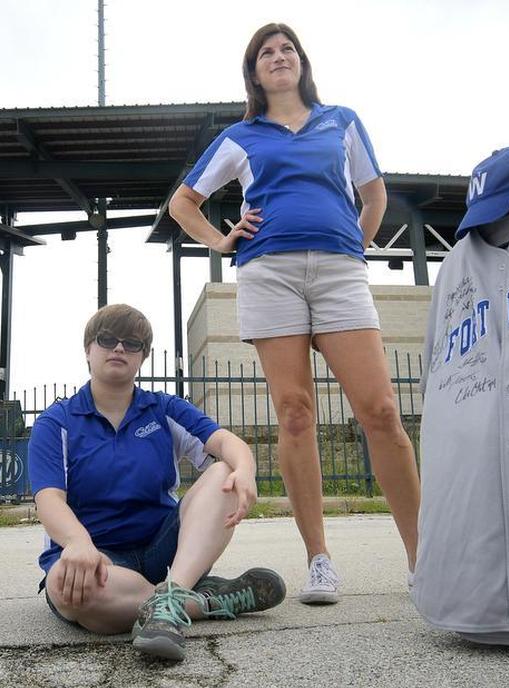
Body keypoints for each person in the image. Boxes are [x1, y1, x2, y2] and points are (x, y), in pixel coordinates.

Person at [169, 22, 420, 604]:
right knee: (295, 412)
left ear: (302, 63)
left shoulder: (342, 122)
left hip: (338, 273)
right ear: (254, 72)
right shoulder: (241, 135)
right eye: (266, 53)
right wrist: (222, 241)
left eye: (287, 50)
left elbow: (374, 193)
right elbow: (184, 202)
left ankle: (421, 556)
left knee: (381, 410)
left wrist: (356, 243)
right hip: (269, 272)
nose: (278, 58)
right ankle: (320, 561)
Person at [28, 303, 286, 662]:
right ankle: (199, 601)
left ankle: (169, 598)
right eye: (107, 339)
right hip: (97, 554)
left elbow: (227, 443)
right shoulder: (56, 422)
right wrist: (77, 542)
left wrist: (245, 468)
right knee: (70, 590)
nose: (119, 348)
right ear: (88, 349)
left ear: (143, 356)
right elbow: (49, 499)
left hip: (163, 549)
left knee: (225, 470)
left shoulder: (163, 408)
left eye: (132, 343)